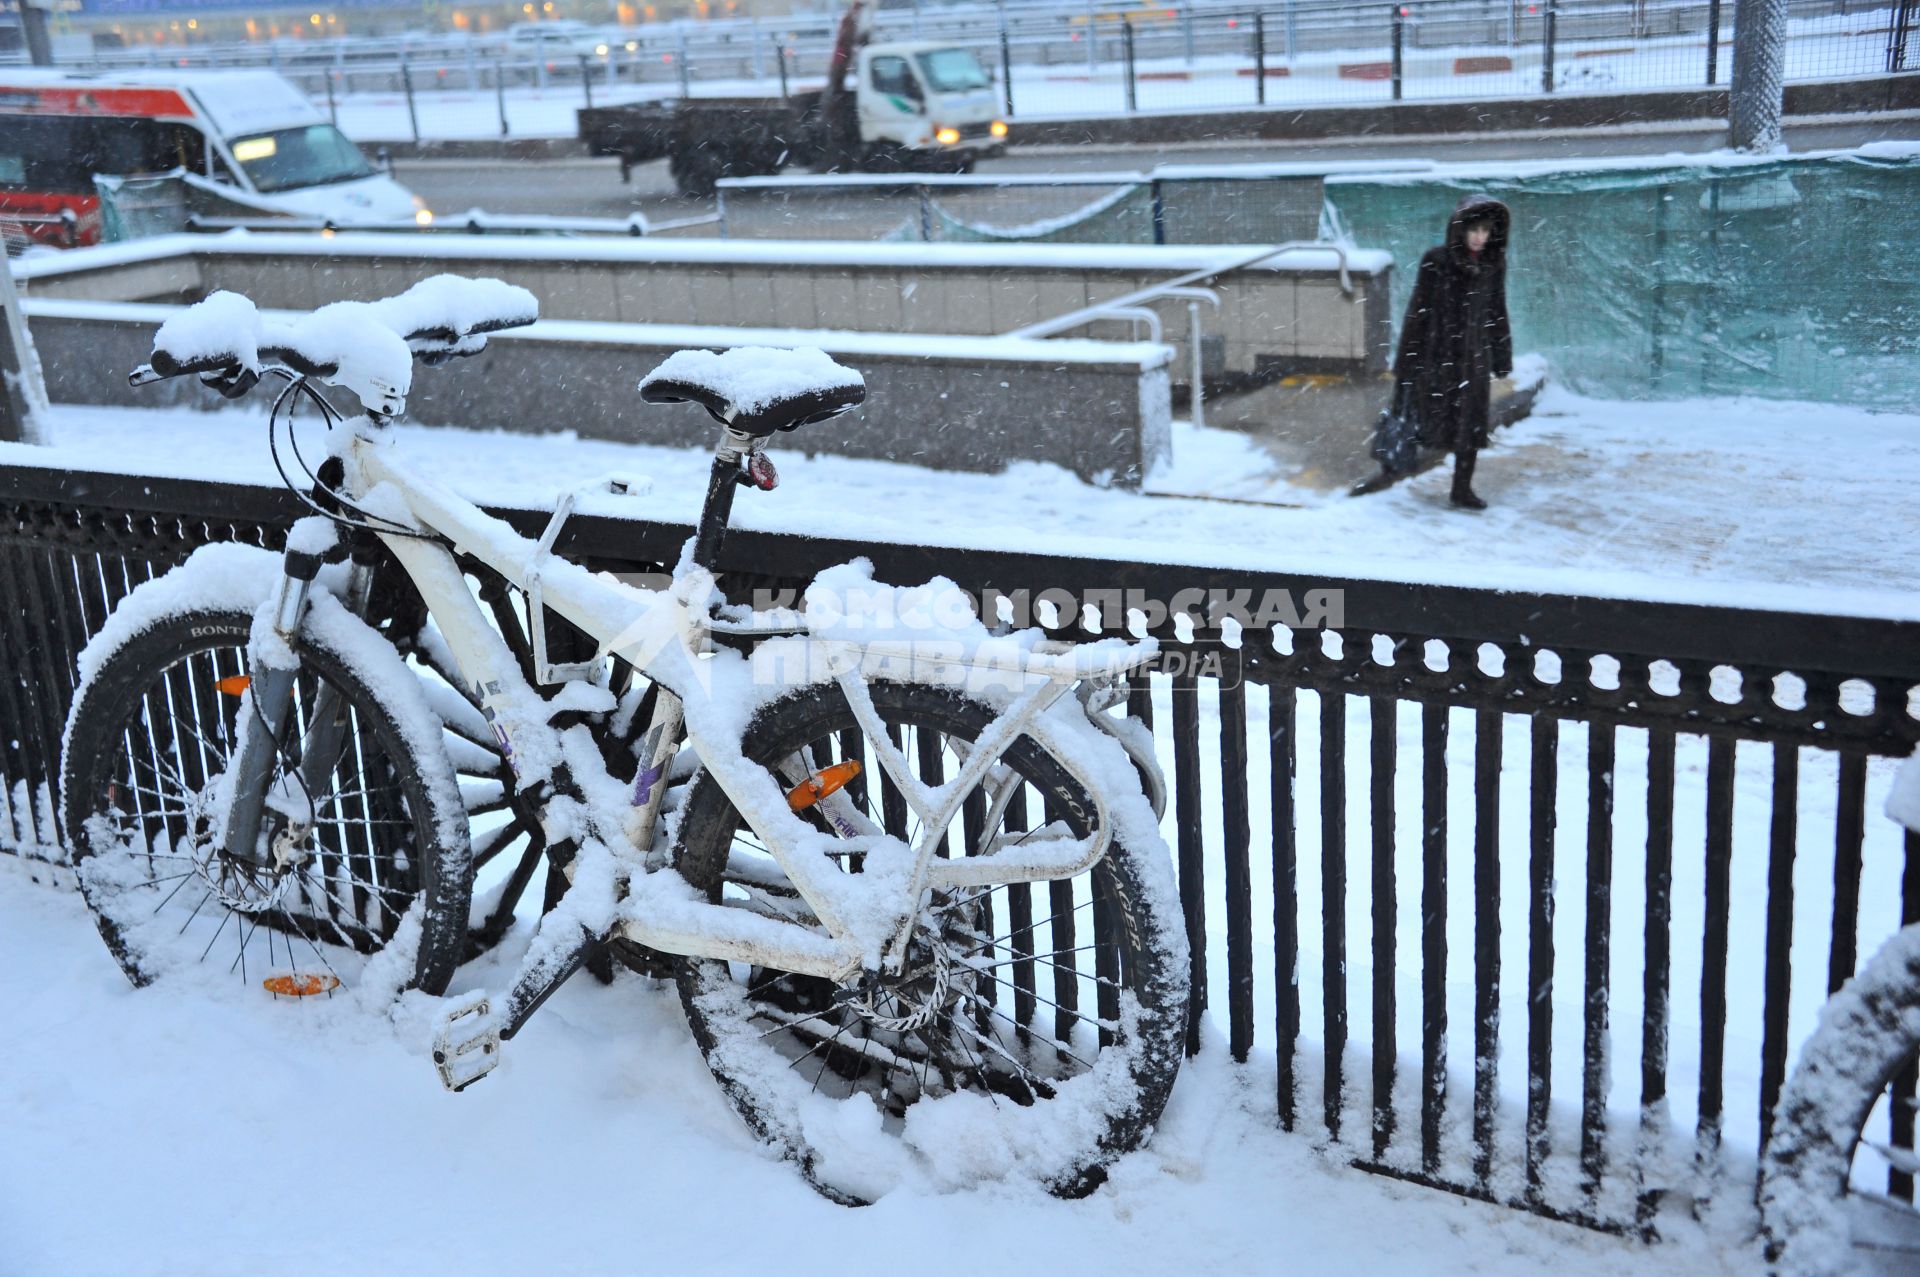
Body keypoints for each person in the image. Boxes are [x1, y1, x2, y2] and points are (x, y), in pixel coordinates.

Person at [1354, 194, 1514, 509]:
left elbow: (1497, 310)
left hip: (1474, 360)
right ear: (1460, 230)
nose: (1481, 238)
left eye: (1486, 231)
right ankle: (1393, 462)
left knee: (1471, 427)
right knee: (1420, 416)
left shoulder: (1494, 264)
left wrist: (1501, 355)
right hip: (1437, 358)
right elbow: (1418, 311)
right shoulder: (1436, 261)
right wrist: (1407, 361)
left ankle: (1462, 489)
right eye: (1474, 230)